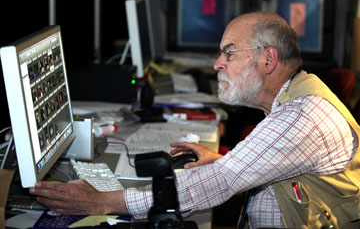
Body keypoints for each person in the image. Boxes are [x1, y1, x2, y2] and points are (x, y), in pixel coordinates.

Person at [30, 12, 360, 228]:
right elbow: (279, 163)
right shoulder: (294, 98)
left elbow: (220, 182)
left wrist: (101, 201)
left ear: (268, 59)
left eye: (229, 53)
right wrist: (228, 161)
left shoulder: (302, 117)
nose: (218, 63)